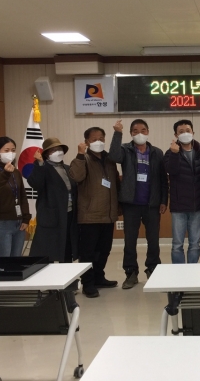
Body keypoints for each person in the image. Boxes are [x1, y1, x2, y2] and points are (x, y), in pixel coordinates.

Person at [109, 119, 168, 289]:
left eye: (143, 130)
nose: (139, 133)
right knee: (130, 241)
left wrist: (163, 200)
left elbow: (163, 179)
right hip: (131, 204)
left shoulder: (157, 152)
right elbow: (113, 156)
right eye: (135, 131)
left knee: (153, 240)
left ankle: (153, 269)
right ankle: (131, 273)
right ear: (130, 133)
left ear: (148, 132)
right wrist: (117, 133)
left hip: (152, 204)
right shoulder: (125, 150)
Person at [68, 127, 120, 298]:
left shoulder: (110, 159)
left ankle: (99, 277)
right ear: (86, 141)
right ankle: (88, 283)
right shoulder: (83, 159)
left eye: (101, 138)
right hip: (89, 215)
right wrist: (80, 154)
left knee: (104, 250)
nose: (98, 141)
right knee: (88, 252)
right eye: (94, 139)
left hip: (108, 214)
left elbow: (115, 183)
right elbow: (76, 177)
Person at [27, 137, 78, 263]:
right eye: (53, 150)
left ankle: (67, 273)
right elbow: (36, 184)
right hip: (51, 216)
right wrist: (40, 163)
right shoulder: (42, 167)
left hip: (69, 213)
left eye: (59, 149)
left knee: (67, 247)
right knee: (49, 250)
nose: (58, 152)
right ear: (46, 154)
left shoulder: (67, 168)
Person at [164, 119, 200, 264]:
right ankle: (179, 274)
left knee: (195, 244)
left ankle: (192, 272)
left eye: (188, 131)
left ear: (193, 132)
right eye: (181, 132)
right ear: (176, 135)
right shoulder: (170, 153)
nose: (185, 134)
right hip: (179, 206)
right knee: (177, 245)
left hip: (197, 205)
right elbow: (171, 171)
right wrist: (175, 154)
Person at [0, 136, 31, 257]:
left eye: (13, 150)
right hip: (1, 223)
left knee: (16, 261)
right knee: (3, 262)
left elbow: (22, 196)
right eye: (6, 150)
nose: (10, 153)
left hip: (18, 223)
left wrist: (26, 218)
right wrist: (5, 174)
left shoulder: (16, 172)